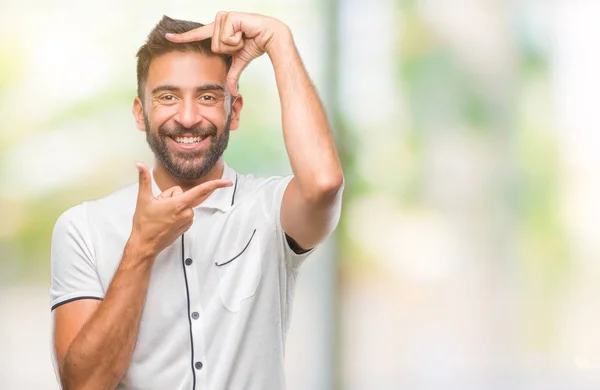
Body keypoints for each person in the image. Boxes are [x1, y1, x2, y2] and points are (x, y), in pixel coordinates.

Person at [49, 11, 343, 390]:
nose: (188, 118)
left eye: (207, 96)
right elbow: (83, 384)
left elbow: (324, 184)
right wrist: (141, 247)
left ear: (233, 112)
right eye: (168, 97)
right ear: (142, 113)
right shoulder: (83, 228)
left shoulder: (269, 211)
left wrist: (278, 38)